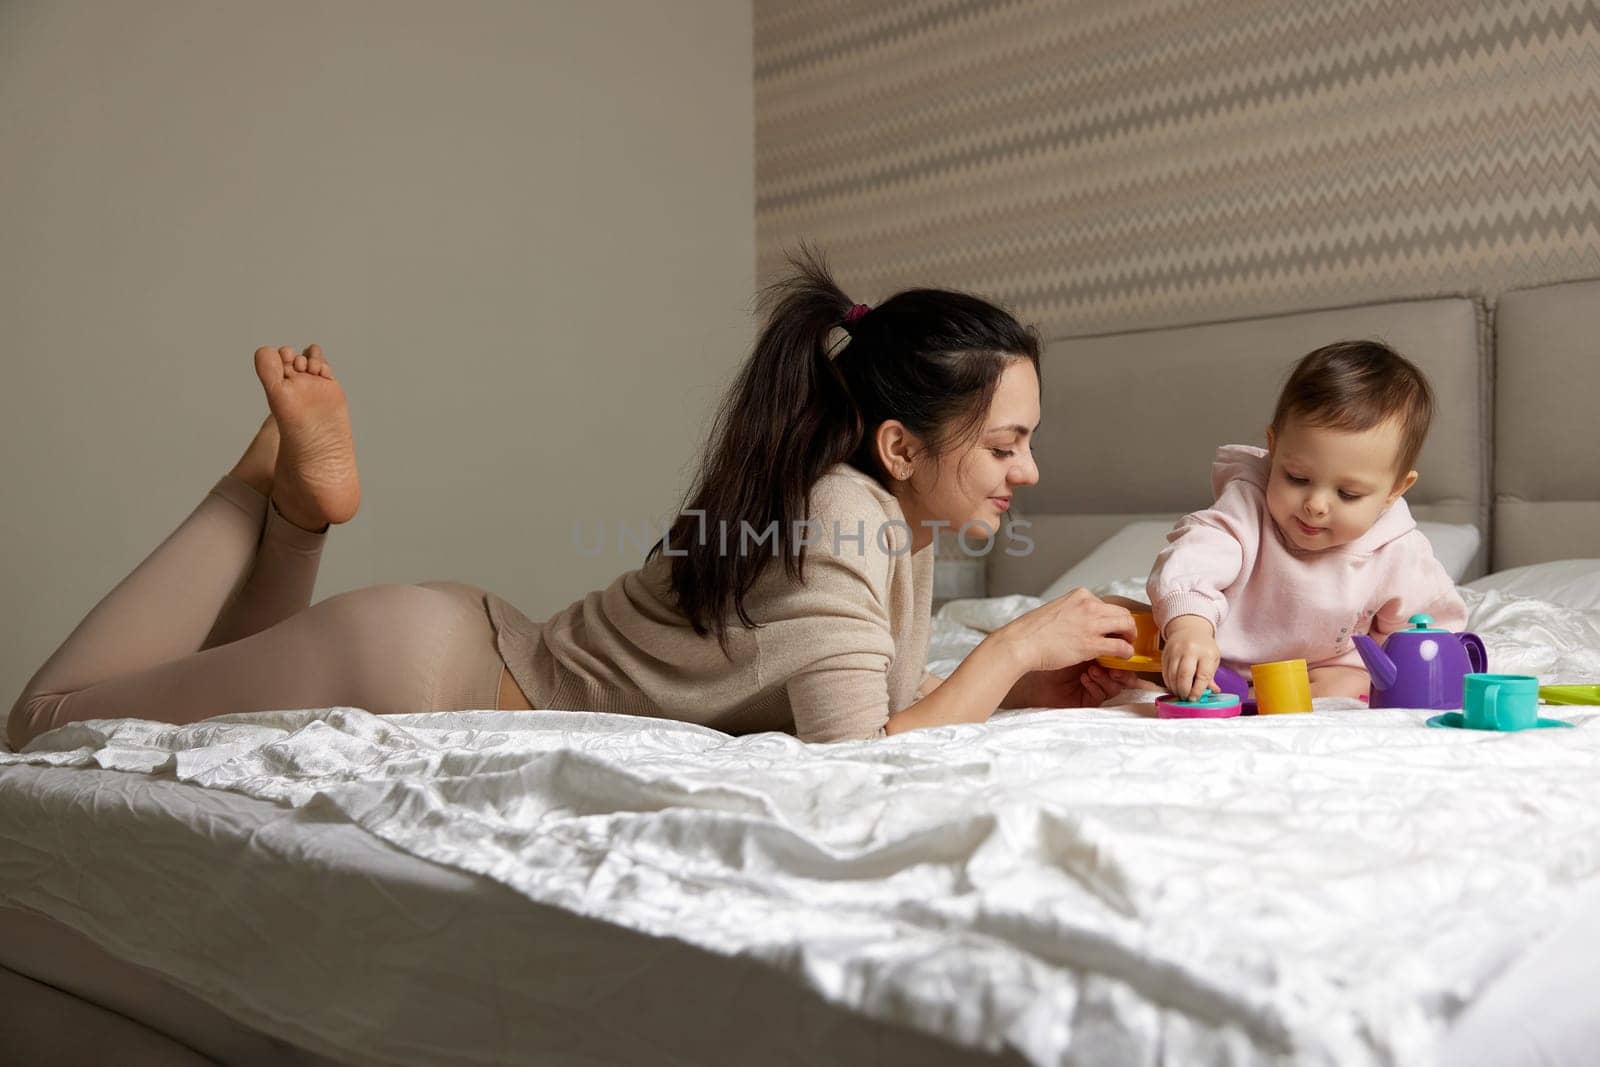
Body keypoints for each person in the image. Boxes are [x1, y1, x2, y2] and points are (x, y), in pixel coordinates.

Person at [8, 254, 1139, 750]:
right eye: (1005, 442)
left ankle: (292, 508)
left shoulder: (869, 515)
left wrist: (1020, 681)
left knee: (184, 719)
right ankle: (257, 486)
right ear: (899, 443)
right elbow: (861, 750)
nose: (1026, 472)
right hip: (449, 672)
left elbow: (859, 698)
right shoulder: (844, 515)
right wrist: (1016, 644)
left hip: (442, 655)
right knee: (46, 728)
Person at [1149, 340, 1468, 702]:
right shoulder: (1246, 507)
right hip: (1223, 668)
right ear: (1275, 448)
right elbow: (1195, 560)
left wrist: (1370, 675)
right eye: (1297, 478)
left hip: (1325, 671)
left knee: (1353, 682)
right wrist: (1190, 628)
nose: (1315, 505)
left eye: (1348, 494)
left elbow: (1431, 634)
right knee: (1136, 640)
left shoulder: (1397, 550)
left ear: (1395, 489)